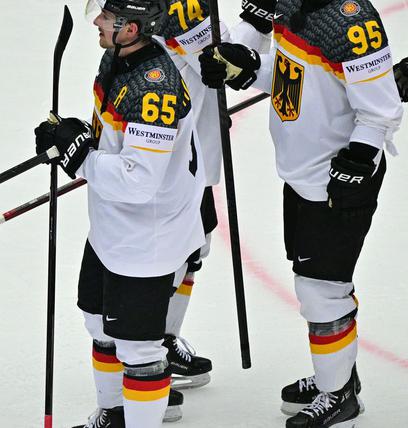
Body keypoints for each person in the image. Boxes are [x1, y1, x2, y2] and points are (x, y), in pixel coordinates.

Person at [200, 0, 402, 425]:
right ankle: (339, 374)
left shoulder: (352, 21)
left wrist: (358, 162)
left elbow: (381, 108)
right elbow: (298, 76)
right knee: (314, 281)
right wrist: (251, 68)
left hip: (334, 178)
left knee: (321, 289)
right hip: (302, 173)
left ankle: (339, 395)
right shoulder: (292, 5)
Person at [35, 0, 205, 426]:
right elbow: (112, 139)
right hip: (113, 227)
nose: (96, 20)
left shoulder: (155, 88)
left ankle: (142, 413)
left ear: (131, 28)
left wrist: (80, 158)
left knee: (140, 350)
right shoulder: (116, 58)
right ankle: (115, 415)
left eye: (107, 17)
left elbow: (138, 180)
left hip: (147, 236)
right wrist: (72, 135)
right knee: (98, 322)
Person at [150, 0, 274, 389]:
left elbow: (215, 53)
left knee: (193, 246)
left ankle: (161, 342)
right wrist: (255, 24)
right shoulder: (177, 7)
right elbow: (216, 57)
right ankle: (144, 357)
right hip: (170, 150)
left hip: (191, 148)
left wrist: (255, 24)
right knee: (167, 254)